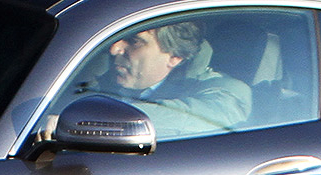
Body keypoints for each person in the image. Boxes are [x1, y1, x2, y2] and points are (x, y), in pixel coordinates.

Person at [99, 20, 251, 138]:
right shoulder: (91, 70)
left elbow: (212, 117)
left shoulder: (226, 91)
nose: (114, 49)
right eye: (117, 36)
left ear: (175, 57)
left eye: (134, 41)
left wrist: (100, 122)